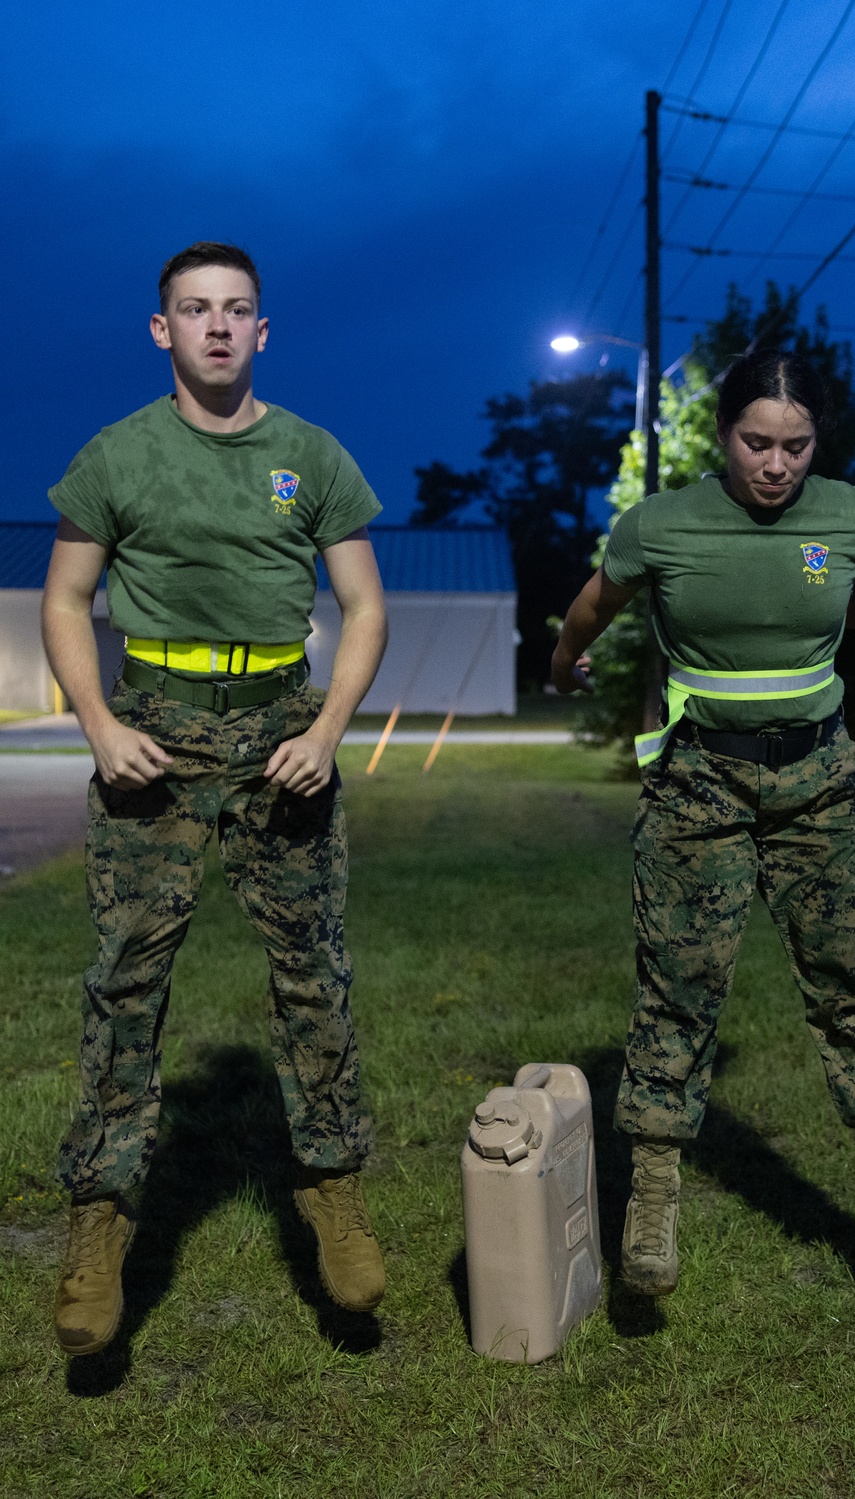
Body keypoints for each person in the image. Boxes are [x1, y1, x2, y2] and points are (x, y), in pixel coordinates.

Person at [42, 241, 389, 1356]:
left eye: (238, 310)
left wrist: (326, 732)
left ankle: (331, 1189)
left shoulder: (311, 453)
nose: (218, 328)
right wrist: (101, 726)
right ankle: (100, 1222)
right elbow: (65, 600)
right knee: (126, 982)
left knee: (312, 972)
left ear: (263, 329)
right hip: (156, 730)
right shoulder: (117, 455)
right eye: (195, 310)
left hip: (282, 732)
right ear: (162, 330)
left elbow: (364, 606)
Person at [551, 348, 855, 1295]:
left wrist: (848, 609)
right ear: (725, 434)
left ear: (820, 442)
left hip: (823, 782)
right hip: (702, 783)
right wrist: (566, 659)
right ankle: (652, 1197)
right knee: (678, 989)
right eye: (756, 443)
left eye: (796, 446)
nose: (775, 466)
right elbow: (595, 602)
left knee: (853, 979)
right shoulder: (665, 523)